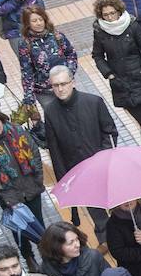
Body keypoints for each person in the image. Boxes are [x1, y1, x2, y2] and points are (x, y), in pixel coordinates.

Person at [40, 66, 116, 234]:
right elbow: (55, 149)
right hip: (78, 172)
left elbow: (109, 133)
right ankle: (105, 239)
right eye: (55, 85)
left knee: (117, 204)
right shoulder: (51, 111)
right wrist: (63, 180)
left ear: (72, 82)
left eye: (63, 83)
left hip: (103, 167)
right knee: (96, 211)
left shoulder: (94, 102)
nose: (60, 89)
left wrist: (103, 159)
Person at [0, 108, 44, 262]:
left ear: (1, 119)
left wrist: (38, 178)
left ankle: (47, 254)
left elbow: (34, 152)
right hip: (9, 195)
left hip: (31, 187)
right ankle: (29, 258)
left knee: (39, 226)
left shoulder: (17, 131)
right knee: (19, 230)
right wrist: (5, 197)